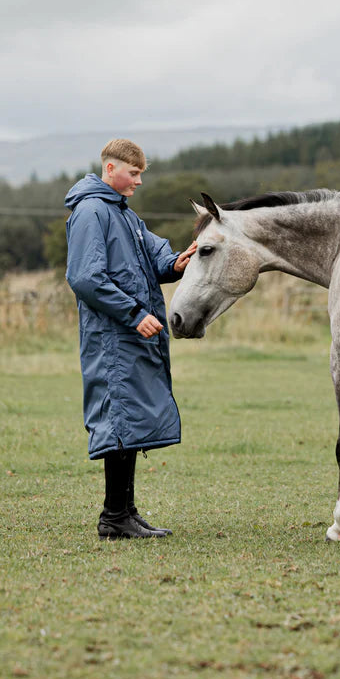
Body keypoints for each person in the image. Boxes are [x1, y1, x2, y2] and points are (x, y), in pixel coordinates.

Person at [65, 138, 196, 540]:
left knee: (132, 418)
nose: (138, 181)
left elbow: (150, 257)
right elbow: (86, 278)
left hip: (130, 338)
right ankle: (113, 518)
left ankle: (126, 513)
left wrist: (175, 262)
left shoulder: (124, 214)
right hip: (112, 337)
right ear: (110, 169)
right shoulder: (91, 212)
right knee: (119, 419)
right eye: (133, 173)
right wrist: (135, 314)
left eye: (141, 174)